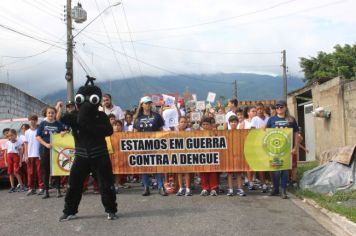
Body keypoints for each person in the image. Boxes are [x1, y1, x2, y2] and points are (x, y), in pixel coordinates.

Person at [60, 76, 117, 221]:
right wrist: (59, 110)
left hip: (100, 155)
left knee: (106, 184)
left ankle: (111, 210)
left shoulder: (101, 116)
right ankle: (70, 210)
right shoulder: (74, 116)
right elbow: (62, 119)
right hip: (81, 155)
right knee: (74, 185)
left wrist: (88, 125)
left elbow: (109, 131)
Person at [133, 96, 167, 196]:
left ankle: (161, 187)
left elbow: (161, 130)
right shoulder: (138, 118)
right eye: (146, 103)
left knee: (157, 166)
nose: (148, 105)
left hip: (156, 145)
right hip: (143, 146)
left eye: (149, 103)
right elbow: (135, 133)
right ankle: (146, 187)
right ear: (142, 105)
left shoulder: (157, 116)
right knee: (145, 167)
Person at [266, 100, 300, 199]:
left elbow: (296, 134)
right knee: (275, 170)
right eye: (277, 107)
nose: (279, 109)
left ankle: (283, 190)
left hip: (287, 150)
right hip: (275, 150)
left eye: (281, 107)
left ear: (285, 107)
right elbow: (265, 133)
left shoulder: (291, 119)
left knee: (285, 170)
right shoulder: (271, 119)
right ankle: (276, 188)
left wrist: (295, 147)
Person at [36, 106, 64, 199]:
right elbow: (38, 137)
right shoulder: (43, 124)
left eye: (52, 113)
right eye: (49, 113)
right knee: (46, 171)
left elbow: (64, 132)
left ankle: (58, 190)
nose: (51, 114)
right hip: (45, 150)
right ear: (46, 114)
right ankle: (46, 191)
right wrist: (45, 144)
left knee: (56, 170)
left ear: (55, 114)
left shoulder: (58, 124)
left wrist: (63, 133)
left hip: (56, 150)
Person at [250, 103, 269, 193]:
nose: (260, 110)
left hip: (268, 144)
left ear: (264, 109)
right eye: (258, 109)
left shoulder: (268, 119)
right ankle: (263, 183)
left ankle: (271, 182)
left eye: (261, 108)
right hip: (259, 144)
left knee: (268, 164)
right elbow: (252, 131)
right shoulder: (254, 119)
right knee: (261, 165)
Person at [24, 115, 44, 196]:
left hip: (38, 154)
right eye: (30, 120)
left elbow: (41, 142)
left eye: (34, 120)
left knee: (39, 172)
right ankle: (31, 188)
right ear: (28, 121)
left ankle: (41, 187)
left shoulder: (39, 130)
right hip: (30, 155)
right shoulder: (26, 132)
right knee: (30, 172)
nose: (32, 121)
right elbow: (26, 144)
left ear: (36, 121)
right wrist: (26, 155)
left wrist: (41, 153)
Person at [226, 115, 246, 197]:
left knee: (238, 172)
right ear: (229, 123)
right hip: (229, 155)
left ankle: (239, 188)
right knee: (229, 173)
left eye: (235, 122)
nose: (233, 123)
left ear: (237, 123)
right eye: (231, 122)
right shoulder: (226, 132)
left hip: (238, 155)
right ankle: (230, 188)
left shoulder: (240, 133)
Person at [199, 117, 219, 196]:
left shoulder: (215, 133)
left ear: (211, 125)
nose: (205, 126)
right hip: (202, 155)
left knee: (213, 172)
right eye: (203, 124)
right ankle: (205, 188)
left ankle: (213, 188)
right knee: (203, 172)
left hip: (212, 154)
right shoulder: (198, 133)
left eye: (207, 124)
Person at [175, 117, 193, 196]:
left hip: (187, 152)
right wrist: (178, 131)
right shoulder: (175, 131)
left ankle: (188, 188)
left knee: (187, 171)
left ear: (187, 123)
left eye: (184, 122)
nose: (183, 123)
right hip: (178, 153)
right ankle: (181, 188)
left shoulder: (189, 130)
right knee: (179, 171)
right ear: (178, 123)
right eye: (181, 122)